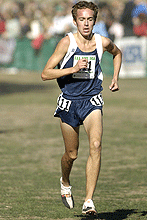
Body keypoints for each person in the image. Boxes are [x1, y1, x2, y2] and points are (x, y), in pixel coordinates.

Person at [41, 1, 122, 216]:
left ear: (95, 21)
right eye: (81, 19)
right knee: (72, 154)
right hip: (69, 102)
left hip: (92, 100)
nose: (86, 24)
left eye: (90, 19)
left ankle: (89, 201)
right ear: (75, 21)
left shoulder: (101, 42)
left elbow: (117, 53)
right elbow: (45, 73)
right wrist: (72, 69)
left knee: (95, 145)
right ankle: (65, 181)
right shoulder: (66, 43)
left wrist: (114, 77)